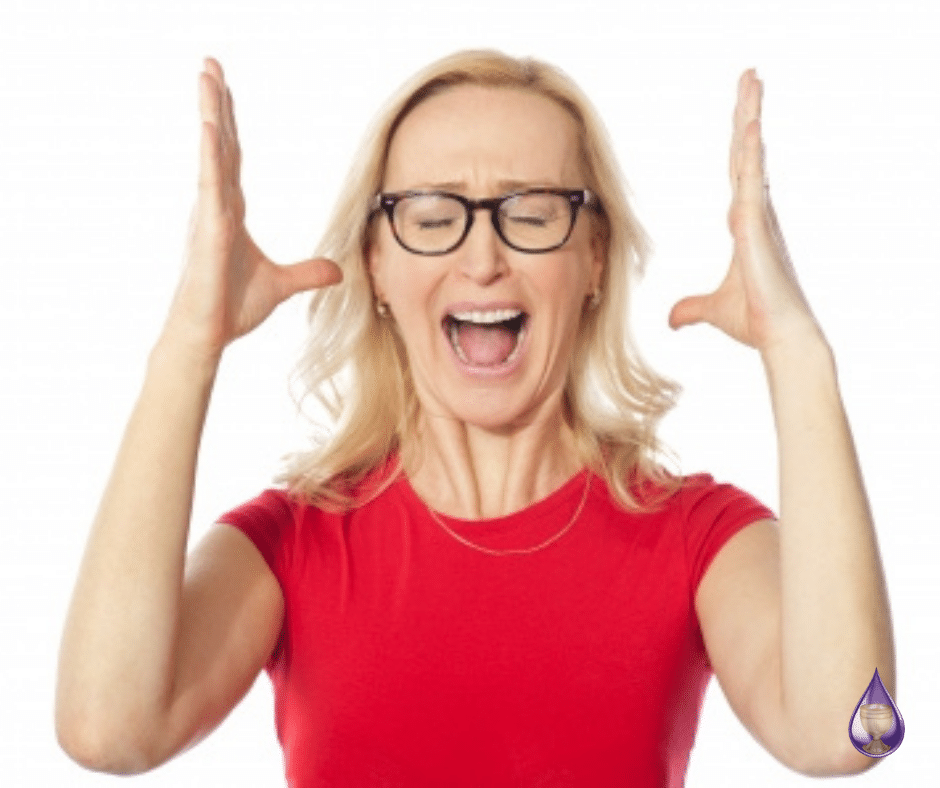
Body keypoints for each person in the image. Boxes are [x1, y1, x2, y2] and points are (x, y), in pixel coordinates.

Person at [56, 51, 895, 786]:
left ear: (594, 257)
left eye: (532, 215)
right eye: (432, 218)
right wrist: (187, 346)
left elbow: (853, 731)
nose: (483, 257)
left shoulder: (693, 535)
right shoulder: (293, 543)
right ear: (377, 264)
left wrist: (798, 351)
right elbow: (107, 732)